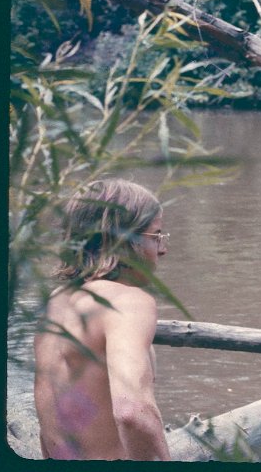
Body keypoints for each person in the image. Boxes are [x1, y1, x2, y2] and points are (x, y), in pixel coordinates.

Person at [34, 178, 172, 460]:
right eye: (156, 236)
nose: (162, 250)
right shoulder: (126, 301)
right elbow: (133, 412)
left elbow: (48, 430)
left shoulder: (55, 304)